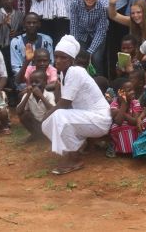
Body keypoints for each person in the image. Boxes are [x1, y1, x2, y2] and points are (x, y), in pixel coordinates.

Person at [42, 35, 112, 175]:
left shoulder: (76, 72)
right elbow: (62, 102)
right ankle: (76, 147)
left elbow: (64, 104)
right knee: (48, 124)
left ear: (72, 60)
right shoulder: (64, 74)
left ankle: (74, 159)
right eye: (56, 56)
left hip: (100, 120)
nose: (58, 61)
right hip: (86, 117)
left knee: (58, 116)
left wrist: (48, 113)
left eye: (63, 57)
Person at [69, 0, 109, 76]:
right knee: (80, 58)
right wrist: (76, 45)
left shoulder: (103, 6)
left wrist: (90, 52)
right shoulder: (75, 3)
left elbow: (101, 30)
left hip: (97, 34)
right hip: (81, 33)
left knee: (96, 58)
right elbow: (73, 26)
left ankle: (99, 82)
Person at [10, 12, 55, 90]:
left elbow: (50, 62)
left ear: (39, 24)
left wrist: (40, 79)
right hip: (24, 79)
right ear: (24, 25)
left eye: (34, 23)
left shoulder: (47, 40)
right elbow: (16, 67)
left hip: (45, 79)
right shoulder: (16, 42)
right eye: (28, 23)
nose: (31, 25)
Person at [106, 81, 146, 158]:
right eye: (129, 90)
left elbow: (135, 121)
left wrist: (122, 113)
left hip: (131, 126)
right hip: (121, 128)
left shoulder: (135, 102)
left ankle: (136, 146)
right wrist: (124, 104)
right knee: (115, 127)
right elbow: (118, 122)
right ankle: (115, 146)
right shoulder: (114, 104)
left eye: (133, 90)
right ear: (120, 92)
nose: (132, 92)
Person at [17, 69, 56, 142]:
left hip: (47, 124)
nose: (34, 84)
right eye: (31, 82)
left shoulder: (49, 95)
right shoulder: (28, 95)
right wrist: (28, 95)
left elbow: (53, 111)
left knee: (50, 114)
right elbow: (18, 111)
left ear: (45, 83)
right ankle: (35, 135)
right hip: (36, 124)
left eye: (37, 82)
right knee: (24, 115)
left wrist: (41, 96)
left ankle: (45, 136)